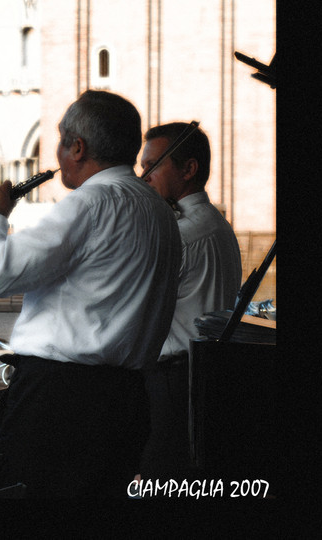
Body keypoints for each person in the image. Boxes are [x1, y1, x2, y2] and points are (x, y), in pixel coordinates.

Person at [0, 89, 181, 497]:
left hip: (60, 403)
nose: (56, 156)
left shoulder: (90, 203)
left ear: (78, 147)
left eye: (60, 142)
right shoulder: (160, 211)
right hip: (126, 401)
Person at [137, 122, 242, 481]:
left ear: (189, 169)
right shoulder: (216, 224)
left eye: (152, 165)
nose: (143, 175)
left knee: (162, 481)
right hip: (199, 375)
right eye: (142, 166)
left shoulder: (181, 234)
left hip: (174, 381)